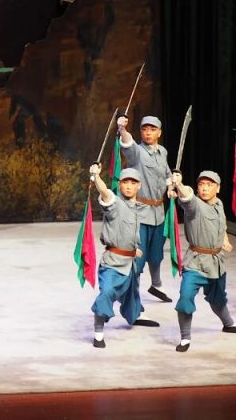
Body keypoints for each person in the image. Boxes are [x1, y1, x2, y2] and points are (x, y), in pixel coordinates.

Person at [88, 165, 160, 348]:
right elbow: (105, 193)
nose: (128, 186)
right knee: (107, 292)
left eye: (133, 183)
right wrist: (97, 176)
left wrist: (133, 249)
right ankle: (98, 332)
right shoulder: (115, 204)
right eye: (125, 182)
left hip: (130, 261)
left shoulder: (137, 208)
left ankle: (135, 315)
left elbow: (128, 231)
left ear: (139, 185)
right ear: (120, 184)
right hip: (113, 262)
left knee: (132, 294)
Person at [171, 170, 236, 352]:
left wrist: (224, 240)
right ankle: (185, 338)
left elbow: (222, 224)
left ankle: (228, 323)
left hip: (216, 263)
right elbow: (187, 198)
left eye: (209, 185)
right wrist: (179, 184)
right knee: (185, 299)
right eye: (201, 184)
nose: (205, 188)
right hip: (195, 263)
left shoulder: (219, 204)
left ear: (218, 188)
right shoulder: (195, 206)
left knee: (218, 299)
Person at [118, 114, 172, 302]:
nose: (148, 133)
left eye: (152, 129)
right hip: (140, 213)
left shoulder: (162, 152)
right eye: (144, 129)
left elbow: (166, 174)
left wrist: (172, 185)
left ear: (159, 133)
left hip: (158, 213)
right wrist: (123, 130)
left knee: (156, 255)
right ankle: (132, 298)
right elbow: (127, 145)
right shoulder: (138, 153)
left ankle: (156, 285)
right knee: (138, 259)